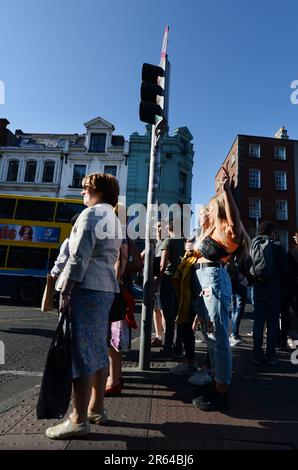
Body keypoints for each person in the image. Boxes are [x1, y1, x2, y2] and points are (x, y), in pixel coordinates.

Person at [45, 173, 122, 439]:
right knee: (98, 349)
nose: (81, 193)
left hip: (85, 288)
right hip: (105, 288)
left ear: (95, 189)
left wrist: (66, 290)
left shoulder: (90, 215)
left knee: (80, 353)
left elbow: (78, 257)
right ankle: (96, 408)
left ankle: (78, 419)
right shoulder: (114, 218)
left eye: (84, 188)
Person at [192, 168, 247, 411]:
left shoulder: (228, 230)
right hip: (204, 282)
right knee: (211, 337)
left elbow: (235, 224)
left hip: (214, 279)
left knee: (219, 338)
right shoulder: (212, 230)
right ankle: (216, 382)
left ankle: (221, 389)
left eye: (212, 208)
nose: (208, 210)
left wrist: (226, 192)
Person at [251, 221, 289, 365]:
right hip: (274, 290)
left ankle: (257, 355)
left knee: (258, 322)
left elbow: (245, 264)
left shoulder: (253, 245)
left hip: (258, 288)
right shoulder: (278, 247)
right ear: (271, 232)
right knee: (273, 323)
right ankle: (271, 355)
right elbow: (285, 270)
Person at [159, 220, 185, 356]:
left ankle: (167, 346)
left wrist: (158, 279)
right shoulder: (183, 242)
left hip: (169, 280)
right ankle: (179, 346)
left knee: (169, 317)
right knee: (179, 316)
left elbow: (163, 264)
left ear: (169, 228)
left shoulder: (168, 242)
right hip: (180, 280)